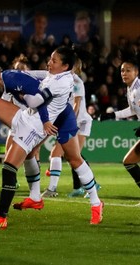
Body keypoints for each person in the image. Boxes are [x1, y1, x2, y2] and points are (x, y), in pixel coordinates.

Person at [0, 47, 103, 229]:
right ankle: (35, 198)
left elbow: (38, 98)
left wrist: (46, 121)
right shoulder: (13, 78)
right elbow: (36, 78)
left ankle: (2, 217)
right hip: (33, 116)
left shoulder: (17, 79)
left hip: (41, 121)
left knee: (18, 166)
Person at [42, 59, 99, 198]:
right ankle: (88, 185)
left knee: (64, 155)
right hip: (71, 121)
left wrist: (67, 122)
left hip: (80, 122)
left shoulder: (76, 81)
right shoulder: (59, 81)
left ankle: (52, 189)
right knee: (71, 156)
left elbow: (76, 105)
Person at [99, 57, 140, 191]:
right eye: (122, 70)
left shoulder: (138, 89)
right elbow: (133, 110)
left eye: (128, 70)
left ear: (136, 72)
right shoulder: (131, 89)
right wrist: (113, 114)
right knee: (129, 162)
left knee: (129, 161)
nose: (124, 73)